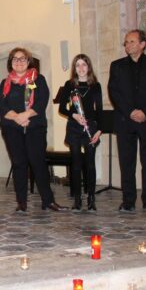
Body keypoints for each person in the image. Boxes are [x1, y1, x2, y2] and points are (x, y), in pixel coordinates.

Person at [0, 47, 67, 212]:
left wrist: (26, 115)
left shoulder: (38, 80)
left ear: (28, 62)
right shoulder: (5, 83)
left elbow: (41, 102)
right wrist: (18, 118)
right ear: (10, 63)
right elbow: (1, 106)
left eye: (23, 59)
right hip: (12, 129)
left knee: (38, 163)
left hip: (35, 127)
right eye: (15, 59)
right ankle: (21, 202)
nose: (19, 62)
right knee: (19, 164)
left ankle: (48, 201)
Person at [108, 29, 146, 213]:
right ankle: (128, 201)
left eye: (132, 41)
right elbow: (114, 93)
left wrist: (145, 113)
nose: (128, 45)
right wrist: (131, 111)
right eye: (126, 42)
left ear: (143, 44)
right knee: (127, 163)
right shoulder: (116, 66)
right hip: (125, 120)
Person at [58, 54, 103, 212]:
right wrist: (74, 115)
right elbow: (62, 108)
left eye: (84, 64)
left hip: (90, 127)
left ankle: (91, 198)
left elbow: (100, 110)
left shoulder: (95, 86)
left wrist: (99, 130)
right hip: (74, 127)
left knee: (90, 164)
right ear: (74, 68)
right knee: (76, 164)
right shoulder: (69, 84)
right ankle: (77, 199)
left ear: (88, 67)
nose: (81, 68)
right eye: (78, 65)